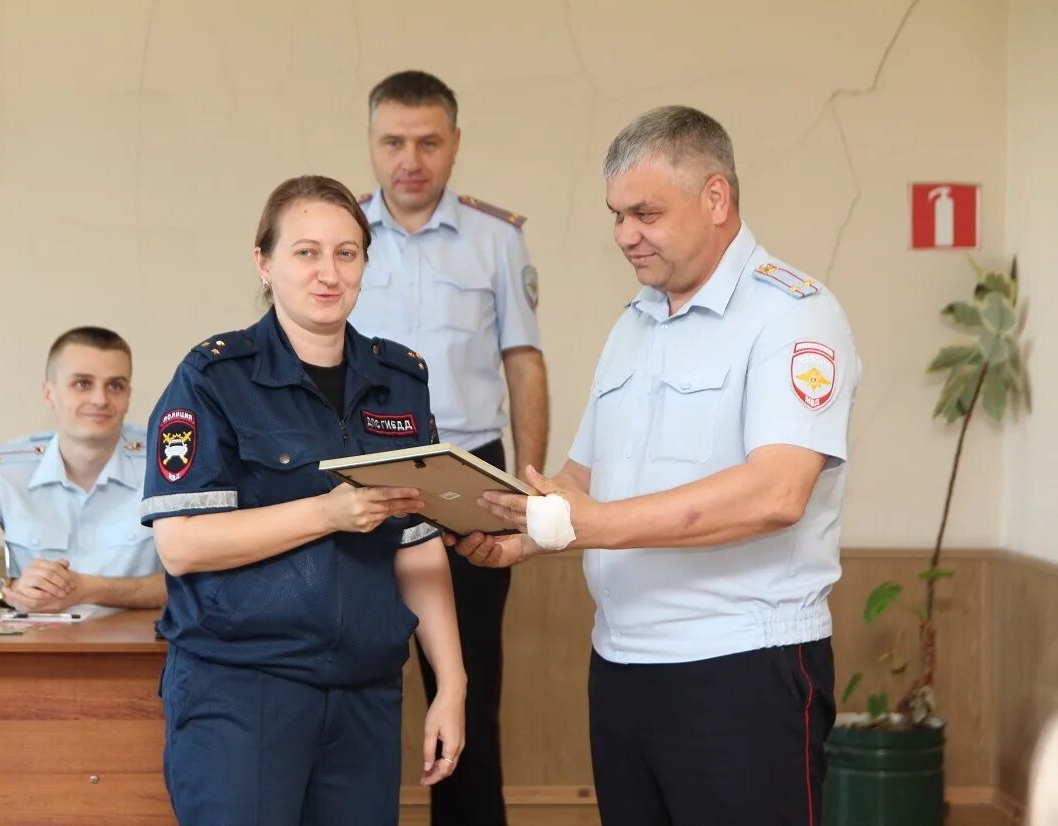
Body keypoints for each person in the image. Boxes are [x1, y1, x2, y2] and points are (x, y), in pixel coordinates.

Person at [456, 105, 862, 826]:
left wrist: (591, 525)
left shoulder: (793, 315)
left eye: (644, 213)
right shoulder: (635, 323)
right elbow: (583, 477)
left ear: (715, 198)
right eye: (616, 215)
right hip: (621, 666)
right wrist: (523, 530)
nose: (624, 236)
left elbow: (776, 492)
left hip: (740, 671)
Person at [142, 175, 466, 825]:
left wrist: (451, 684)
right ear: (263, 263)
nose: (328, 273)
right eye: (306, 252)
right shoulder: (214, 378)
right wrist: (327, 513)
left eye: (347, 253)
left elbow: (417, 547)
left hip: (365, 694)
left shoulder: (401, 381)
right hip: (242, 689)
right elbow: (181, 545)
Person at [348, 69, 549, 826]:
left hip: (469, 478)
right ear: (371, 144)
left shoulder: (497, 239)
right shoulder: (344, 236)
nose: (411, 158)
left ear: (455, 145)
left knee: (468, 687)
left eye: (429, 141)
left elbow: (523, 362)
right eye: (394, 141)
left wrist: (530, 488)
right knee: (360, 674)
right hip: (365, 481)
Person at [0, 326, 165, 612]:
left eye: (115, 386)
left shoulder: (165, 466)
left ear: (128, 396)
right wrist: (10, 590)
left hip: (139, 651)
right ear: (49, 393)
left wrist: (91, 590)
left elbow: (195, 590)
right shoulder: (5, 470)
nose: (100, 399)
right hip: (39, 647)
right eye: (82, 384)